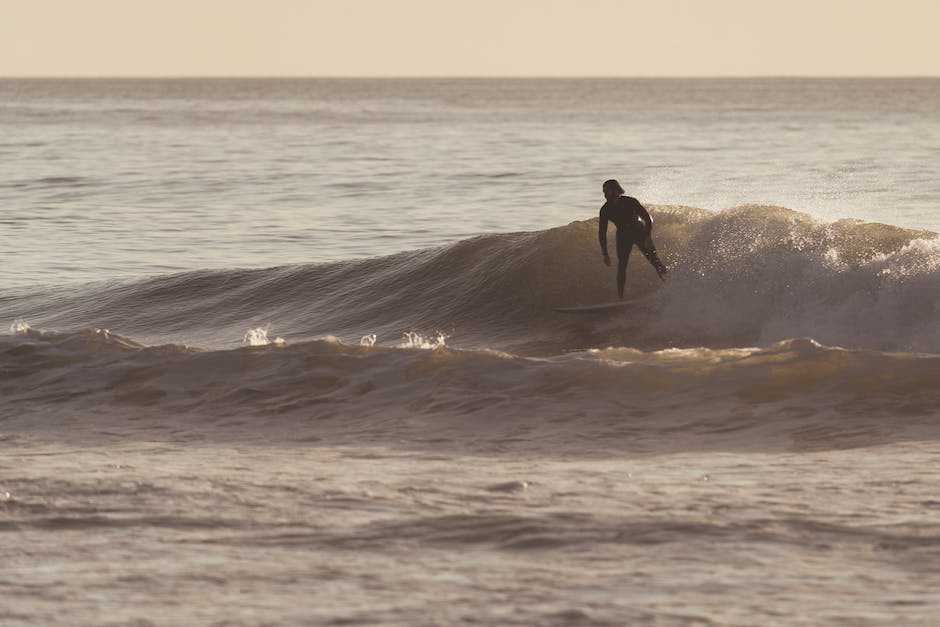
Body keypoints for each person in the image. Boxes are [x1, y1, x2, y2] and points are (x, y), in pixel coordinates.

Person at [598, 179, 667, 299]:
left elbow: (647, 218)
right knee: (622, 266)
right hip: (623, 236)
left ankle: (670, 284)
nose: (605, 194)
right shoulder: (605, 209)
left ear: (615, 190)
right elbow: (602, 232)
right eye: (604, 192)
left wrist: (648, 236)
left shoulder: (630, 201)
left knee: (655, 261)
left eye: (607, 191)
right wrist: (605, 253)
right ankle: (620, 298)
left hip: (639, 232)